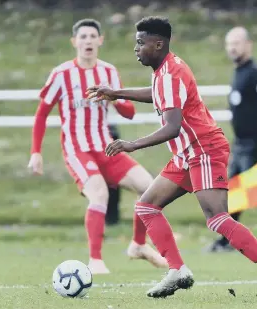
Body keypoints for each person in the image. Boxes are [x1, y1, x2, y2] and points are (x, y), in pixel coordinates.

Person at [86, 16, 257, 299]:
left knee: (217, 218)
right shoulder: (163, 70)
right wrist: (116, 93)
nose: (135, 48)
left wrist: (132, 144)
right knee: (146, 206)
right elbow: (157, 95)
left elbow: (171, 127)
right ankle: (177, 270)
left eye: (140, 43)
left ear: (158, 44)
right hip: (187, 153)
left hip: (204, 150)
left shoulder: (170, 73)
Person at [27, 18, 168, 274]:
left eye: (93, 36)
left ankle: (138, 245)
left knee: (148, 188)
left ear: (100, 41)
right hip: (77, 149)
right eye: (83, 37)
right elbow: (41, 114)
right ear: (75, 42)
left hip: (106, 147)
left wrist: (114, 98)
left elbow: (129, 113)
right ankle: (95, 261)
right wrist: (36, 152)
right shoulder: (61, 74)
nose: (88, 41)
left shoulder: (108, 72)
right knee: (99, 193)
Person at [205, 26, 257, 254]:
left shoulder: (255, 73)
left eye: (237, 43)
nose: (232, 47)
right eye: (229, 43)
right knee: (233, 193)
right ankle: (226, 241)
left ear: (248, 45)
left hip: (253, 144)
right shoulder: (238, 72)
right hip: (241, 144)